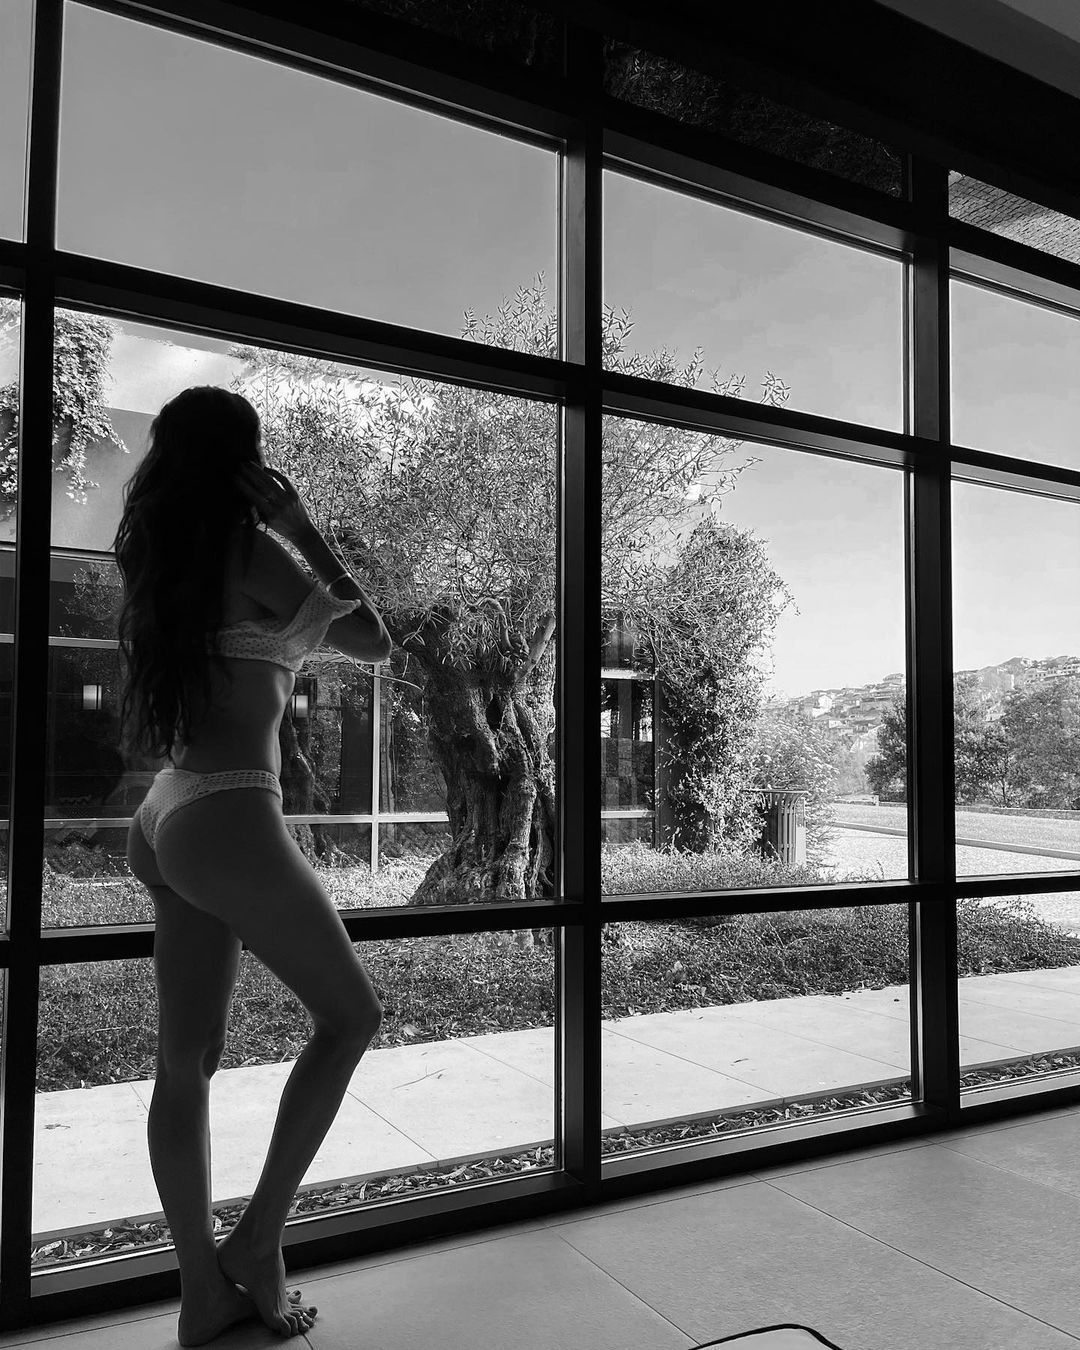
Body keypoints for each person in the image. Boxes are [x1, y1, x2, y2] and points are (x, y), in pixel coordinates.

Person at [116, 386, 392, 1345]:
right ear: (246, 464)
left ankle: (201, 1292)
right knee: (352, 1016)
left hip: (167, 813)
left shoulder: (156, 558)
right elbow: (375, 642)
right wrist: (303, 526)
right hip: (230, 808)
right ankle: (259, 1241)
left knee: (186, 1060)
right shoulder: (251, 551)